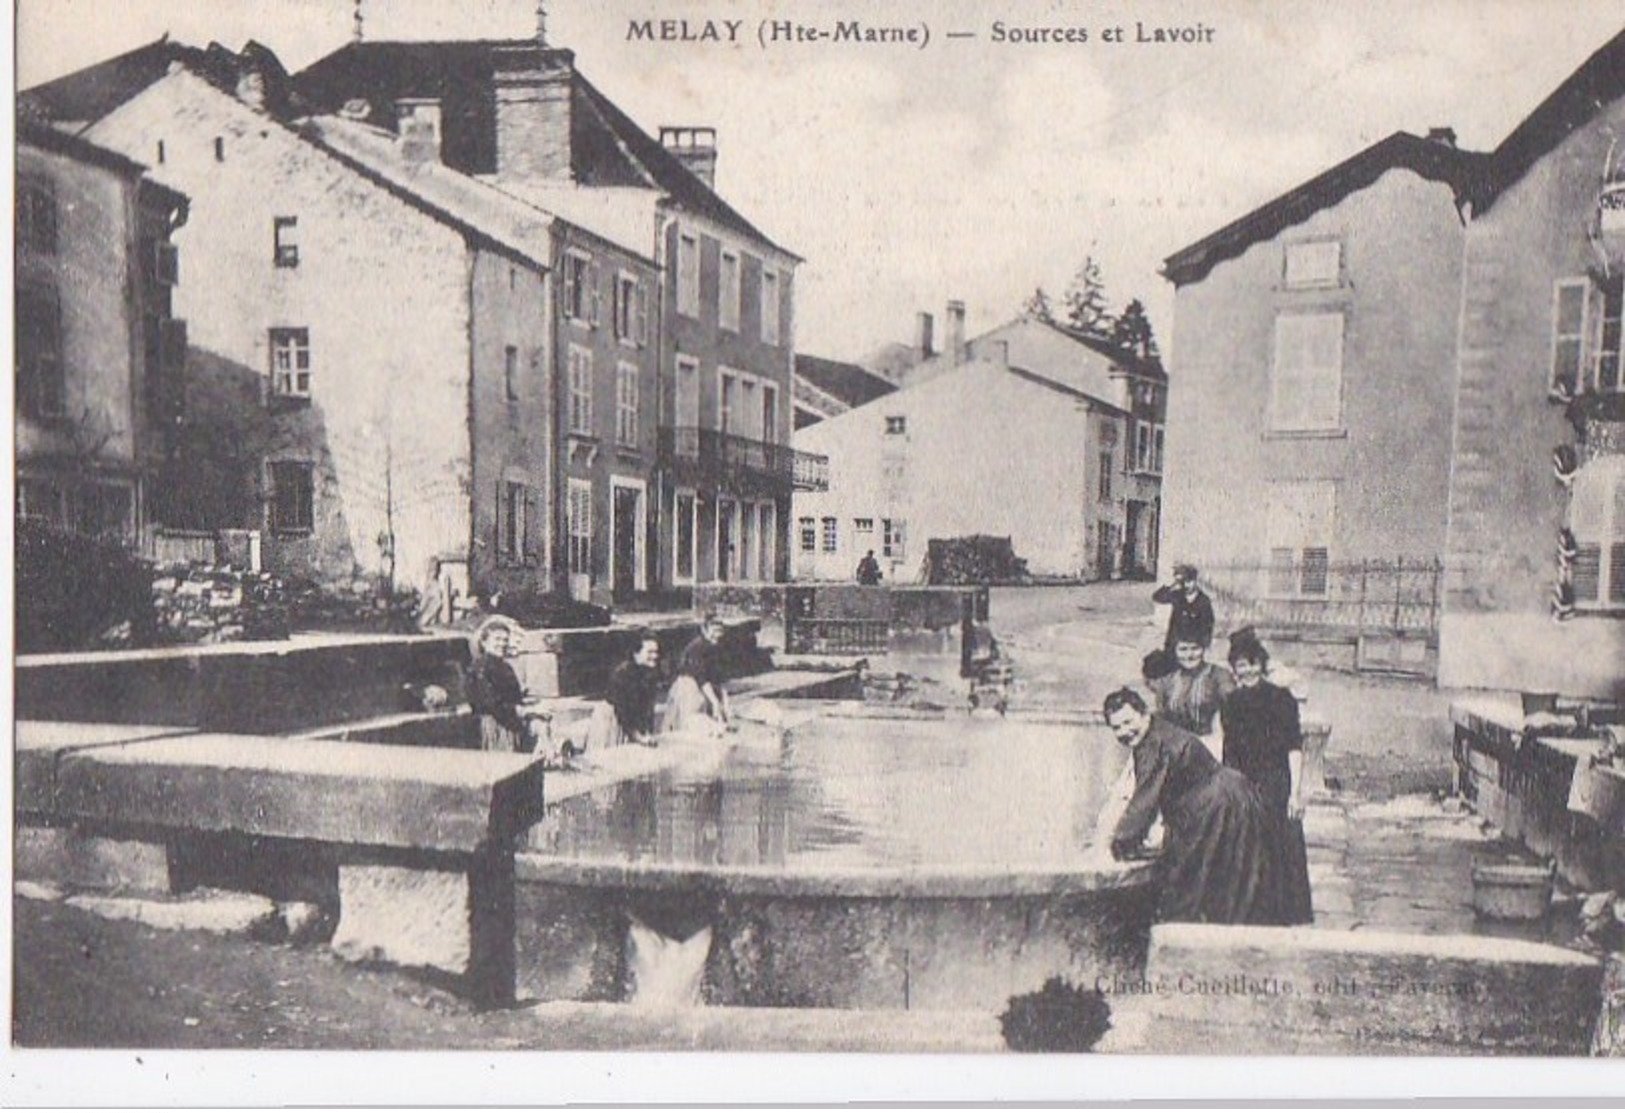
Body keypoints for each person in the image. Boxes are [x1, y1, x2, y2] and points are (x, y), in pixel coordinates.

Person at [1104, 687, 1280, 926]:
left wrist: (1119, 842)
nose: (1125, 731)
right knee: (1231, 876)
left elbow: (1144, 801)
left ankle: (1185, 936)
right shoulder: (1157, 733)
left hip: (1218, 805)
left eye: (1128, 721)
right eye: (1116, 727)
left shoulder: (1155, 743)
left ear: (1144, 714)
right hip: (1231, 796)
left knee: (1193, 876)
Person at [1221, 630, 1314, 925]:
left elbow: (1294, 746)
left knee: (1282, 845)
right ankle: (1252, 911)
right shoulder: (1231, 703)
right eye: (1239, 665)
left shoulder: (1281, 699)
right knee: (1247, 845)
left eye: (1250, 663)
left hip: (1277, 780)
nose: (1245, 670)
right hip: (1245, 781)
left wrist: (1296, 792)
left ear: (1261, 664)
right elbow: (1230, 751)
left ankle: (1286, 914)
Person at [1147, 636, 1234, 760]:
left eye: (1195, 648)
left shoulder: (1218, 675)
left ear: (1204, 648)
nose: (1189, 655)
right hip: (1176, 748)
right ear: (1175, 651)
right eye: (1183, 649)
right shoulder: (1168, 681)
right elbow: (1162, 716)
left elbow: (1234, 707)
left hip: (1210, 745)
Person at [582, 633, 664, 750]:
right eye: (650, 652)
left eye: (656, 652)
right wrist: (638, 737)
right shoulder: (624, 675)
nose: (655, 656)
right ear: (636, 654)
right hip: (612, 719)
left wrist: (647, 733)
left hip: (628, 721)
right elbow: (624, 712)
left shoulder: (650, 674)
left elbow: (647, 708)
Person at [466, 616, 534, 753]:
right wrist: (522, 711)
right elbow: (491, 703)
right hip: (493, 726)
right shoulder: (481, 667)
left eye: (505, 640)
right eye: (497, 639)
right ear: (484, 642)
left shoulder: (504, 665)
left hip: (508, 723)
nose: (502, 644)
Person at [660, 613, 731, 734]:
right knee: (689, 723)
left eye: (720, 631)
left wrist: (724, 700)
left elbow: (718, 677)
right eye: (714, 631)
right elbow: (700, 677)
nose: (717, 635)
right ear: (704, 629)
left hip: (704, 688)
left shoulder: (717, 647)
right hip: (688, 688)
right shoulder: (696, 648)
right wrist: (715, 702)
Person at [1152, 563, 1215, 653]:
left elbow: (1208, 624)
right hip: (1174, 645)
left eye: (1188, 581)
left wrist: (1204, 645)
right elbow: (1157, 597)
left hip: (1193, 646)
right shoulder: (1178, 595)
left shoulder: (1203, 601)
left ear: (1195, 581)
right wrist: (1170, 585)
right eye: (1182, 582)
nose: (1186, 585)